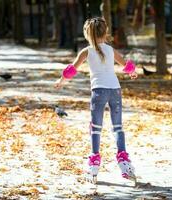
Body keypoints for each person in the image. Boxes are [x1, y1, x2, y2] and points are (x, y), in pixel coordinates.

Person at [54, 17, 138, 182]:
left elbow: (71, 70)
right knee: (118, 127)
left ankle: (94, 164)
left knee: (96, 127)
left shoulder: (86, 51)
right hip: (115, 90)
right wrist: (133, 72)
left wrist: (61, 81)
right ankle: (124, 163)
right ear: (105, 32)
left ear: (87, 33)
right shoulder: (110, 50)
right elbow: (126, 64)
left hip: (98, 92)